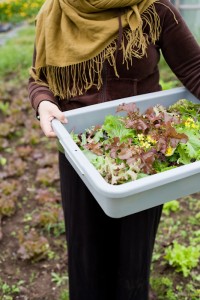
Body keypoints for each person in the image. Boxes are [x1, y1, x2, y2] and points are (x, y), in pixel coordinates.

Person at [28, 0, 200, 299]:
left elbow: (194, 67)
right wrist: (43, 102)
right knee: (85, 249)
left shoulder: (155, 8)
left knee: (134, 251)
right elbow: (38, 79)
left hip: (141, 152)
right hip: (80, 149)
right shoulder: (54, 11)